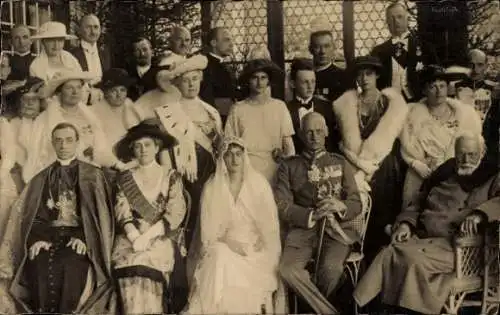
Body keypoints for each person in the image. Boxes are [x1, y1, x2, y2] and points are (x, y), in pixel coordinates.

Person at [354, 132, 500, 315]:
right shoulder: (445, 170)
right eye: (461, 153)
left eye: (472, 154)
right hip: (424, 237)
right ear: (455, 152)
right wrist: (406, 224)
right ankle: (363, 308)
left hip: (459, 248)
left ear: (482, 152)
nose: (466, 159)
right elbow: (418, 202)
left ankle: (403, 310)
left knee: (411, 260)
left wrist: (479, 214)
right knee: (389, 252)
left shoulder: (493, 175)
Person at [0, 122, 116, 314]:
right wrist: (38, 239)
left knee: (70, 263)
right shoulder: (41, 178)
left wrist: (85, 239)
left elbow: (99, 217)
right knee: (39, 261)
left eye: (69, 140)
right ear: (52, 143)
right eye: (59, 141)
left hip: (81, 238)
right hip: (48, 236)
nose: (63, 145)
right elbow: (33, 216)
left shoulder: (92, 176)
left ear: (77, 142)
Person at [185, 136, 284, 314]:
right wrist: (229, 242)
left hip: (253, 245)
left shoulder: (259, 184)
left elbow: (269, 225)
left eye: (238, 154)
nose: (234, 159)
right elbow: (209, 233)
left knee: (251, 259)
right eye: (229, 155)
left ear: (244, 156)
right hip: (223, 242)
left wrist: (262, 240)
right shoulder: (212, 187)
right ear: (222, 158)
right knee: (219, 255)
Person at [276, 112, 362, 314]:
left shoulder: (340, 163)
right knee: (287, 270)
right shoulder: (289, 166)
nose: (314, 137)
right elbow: (281, 204)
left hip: (336, 232)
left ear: (325, 132)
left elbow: (356, 202)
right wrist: (310, 216)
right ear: (300, 135)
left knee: (331, 271)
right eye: (308, 132)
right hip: (302, 232)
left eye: (318, 131)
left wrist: (340, 206)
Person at [153, 54, 222, 287]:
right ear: (177, 84)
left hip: (210, 179)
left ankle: (208, 284)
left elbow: (219, 150)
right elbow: (164, 152)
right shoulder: (166, 113)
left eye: (195, 79)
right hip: (184, 182)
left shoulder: (211, 112)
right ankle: (184, 286)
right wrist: (170, 184)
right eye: (185, 80)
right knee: (186, 232)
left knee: (210, 231)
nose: (191, 84)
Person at [333, 56, 408, 264]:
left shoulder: (387, 104)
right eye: (360, 74)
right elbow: (343, 140)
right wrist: (349, 155)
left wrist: (371, 164)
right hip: (353, 162)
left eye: (369, 74)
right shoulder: (348, 104)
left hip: (382, 164)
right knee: (356, 208)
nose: (364, 78)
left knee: (381, 213)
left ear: (376, 76)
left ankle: (381, 265)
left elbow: (392, 140)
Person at [112, 120, 186, 314]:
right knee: (131, 265)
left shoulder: (171, 176)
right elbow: (122, 211)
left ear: (157, 147)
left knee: (148, 267)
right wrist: (135, 237)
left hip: (160, 237)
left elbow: (175, 213)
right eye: (137, 146)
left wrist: (147, 237)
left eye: (147, 145)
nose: (142, 150)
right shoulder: (125, 177)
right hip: (130, 239)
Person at [400, 65, 482, 208]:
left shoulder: (465, 115)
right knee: (414, 207)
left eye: (442, 86)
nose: (439, 92)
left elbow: (473, 146)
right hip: (423, 172)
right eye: (433, 87)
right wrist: (414, 163)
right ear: (424, 90)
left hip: (456, 170)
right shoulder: (411, 115)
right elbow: (406, 145)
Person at [23, 70, 122, 183]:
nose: (75, 92)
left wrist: (116, 164)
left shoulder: (90, 116)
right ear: (59, 92)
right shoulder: (45, 120)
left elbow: (102, 149)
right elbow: (40, 155)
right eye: (69, 88)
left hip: (91, 174)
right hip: (59, 176)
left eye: (79, 87)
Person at [225, 58, 295, 182]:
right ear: (248, 80)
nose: (259, 82)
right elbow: (230, 143)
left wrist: (289, 171)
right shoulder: (238, 109)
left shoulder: (279, 107)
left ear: (269, 81)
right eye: (255, 78)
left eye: (263, 78)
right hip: (247, 168)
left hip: (274, 167)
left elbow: (288, 145)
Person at [370, 1, 437, 102]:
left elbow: (436, 77)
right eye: (391, 18)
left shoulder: (425, 47)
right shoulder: (378, 52)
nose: (396, 21)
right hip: (390, 104)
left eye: (400, 17)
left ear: (407, 19)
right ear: (387, 22)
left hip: (419, 103)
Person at [455, 49, 500, 166]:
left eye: (480, 65)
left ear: (486, 66)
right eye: (471, 65)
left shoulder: (494, 89)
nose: (475, 70)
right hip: (460, 142)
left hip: (488, 143)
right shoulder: (455, 87)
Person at [287, 58, 340, 154]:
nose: (310, 86)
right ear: (293, 84)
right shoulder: (286, 110)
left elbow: (332, 141)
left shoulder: (327, 107)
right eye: (305, 82)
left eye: (313, 81)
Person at [8, 77, 46, 189]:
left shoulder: (46, 122)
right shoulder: (12, 125)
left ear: (40, 103)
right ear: (19, 103)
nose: (29, 104)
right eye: (25, 100)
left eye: (34, 100)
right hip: (19, 178)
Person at [199, 27, 238, 124]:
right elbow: (207, 98)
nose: (231, 44)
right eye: (226, 40)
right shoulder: (206, 65)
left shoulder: (222, 65)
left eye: (231, 40)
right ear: (214, 43)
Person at [308, 17, 350, 102]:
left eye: (326, 46)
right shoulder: (305, 75)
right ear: (310, 49)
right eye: (317, 47)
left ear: (333, 48)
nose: (322, 51)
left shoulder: (343, 76)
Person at [92, 68, 136, 146]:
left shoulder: (129, 104)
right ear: (105, 92)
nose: (119, 95)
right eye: (113, 91)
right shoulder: (95, 111)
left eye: (122, 90)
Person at [69, 14, 112, 85]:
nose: (93, 32)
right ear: (79, 30)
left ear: (100, 30)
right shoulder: (72, 54)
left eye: (96, 27)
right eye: (88, 27)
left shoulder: (105, 52)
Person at [127, 37, 158, 101]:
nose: (142, 54)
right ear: (132, 54)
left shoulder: (161, 72)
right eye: (137, 50)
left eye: (145, 49)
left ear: (152, 52)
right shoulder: (127, 75)